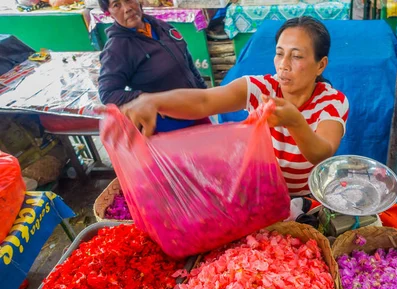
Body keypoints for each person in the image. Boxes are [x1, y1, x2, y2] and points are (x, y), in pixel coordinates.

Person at [120, 16, 349, 196]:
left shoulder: (331, 102)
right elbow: (204, 101)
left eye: (296, 56)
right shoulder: (260, 89)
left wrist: (295, 122)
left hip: (306, 198)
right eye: (279, 54)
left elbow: (322, 153)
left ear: (321, 65)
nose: (284, 65)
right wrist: (154, 101)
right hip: (259, 192)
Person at [98, 0, 209, 132]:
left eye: (128, 0)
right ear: (108, 13)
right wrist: (148, 99)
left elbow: (186, 59)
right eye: (116, 5)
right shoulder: (117, 50)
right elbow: (107, 93)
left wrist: (203, 91)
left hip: (197, 108)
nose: (127, 8)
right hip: (171, 124)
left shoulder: (158, 25)